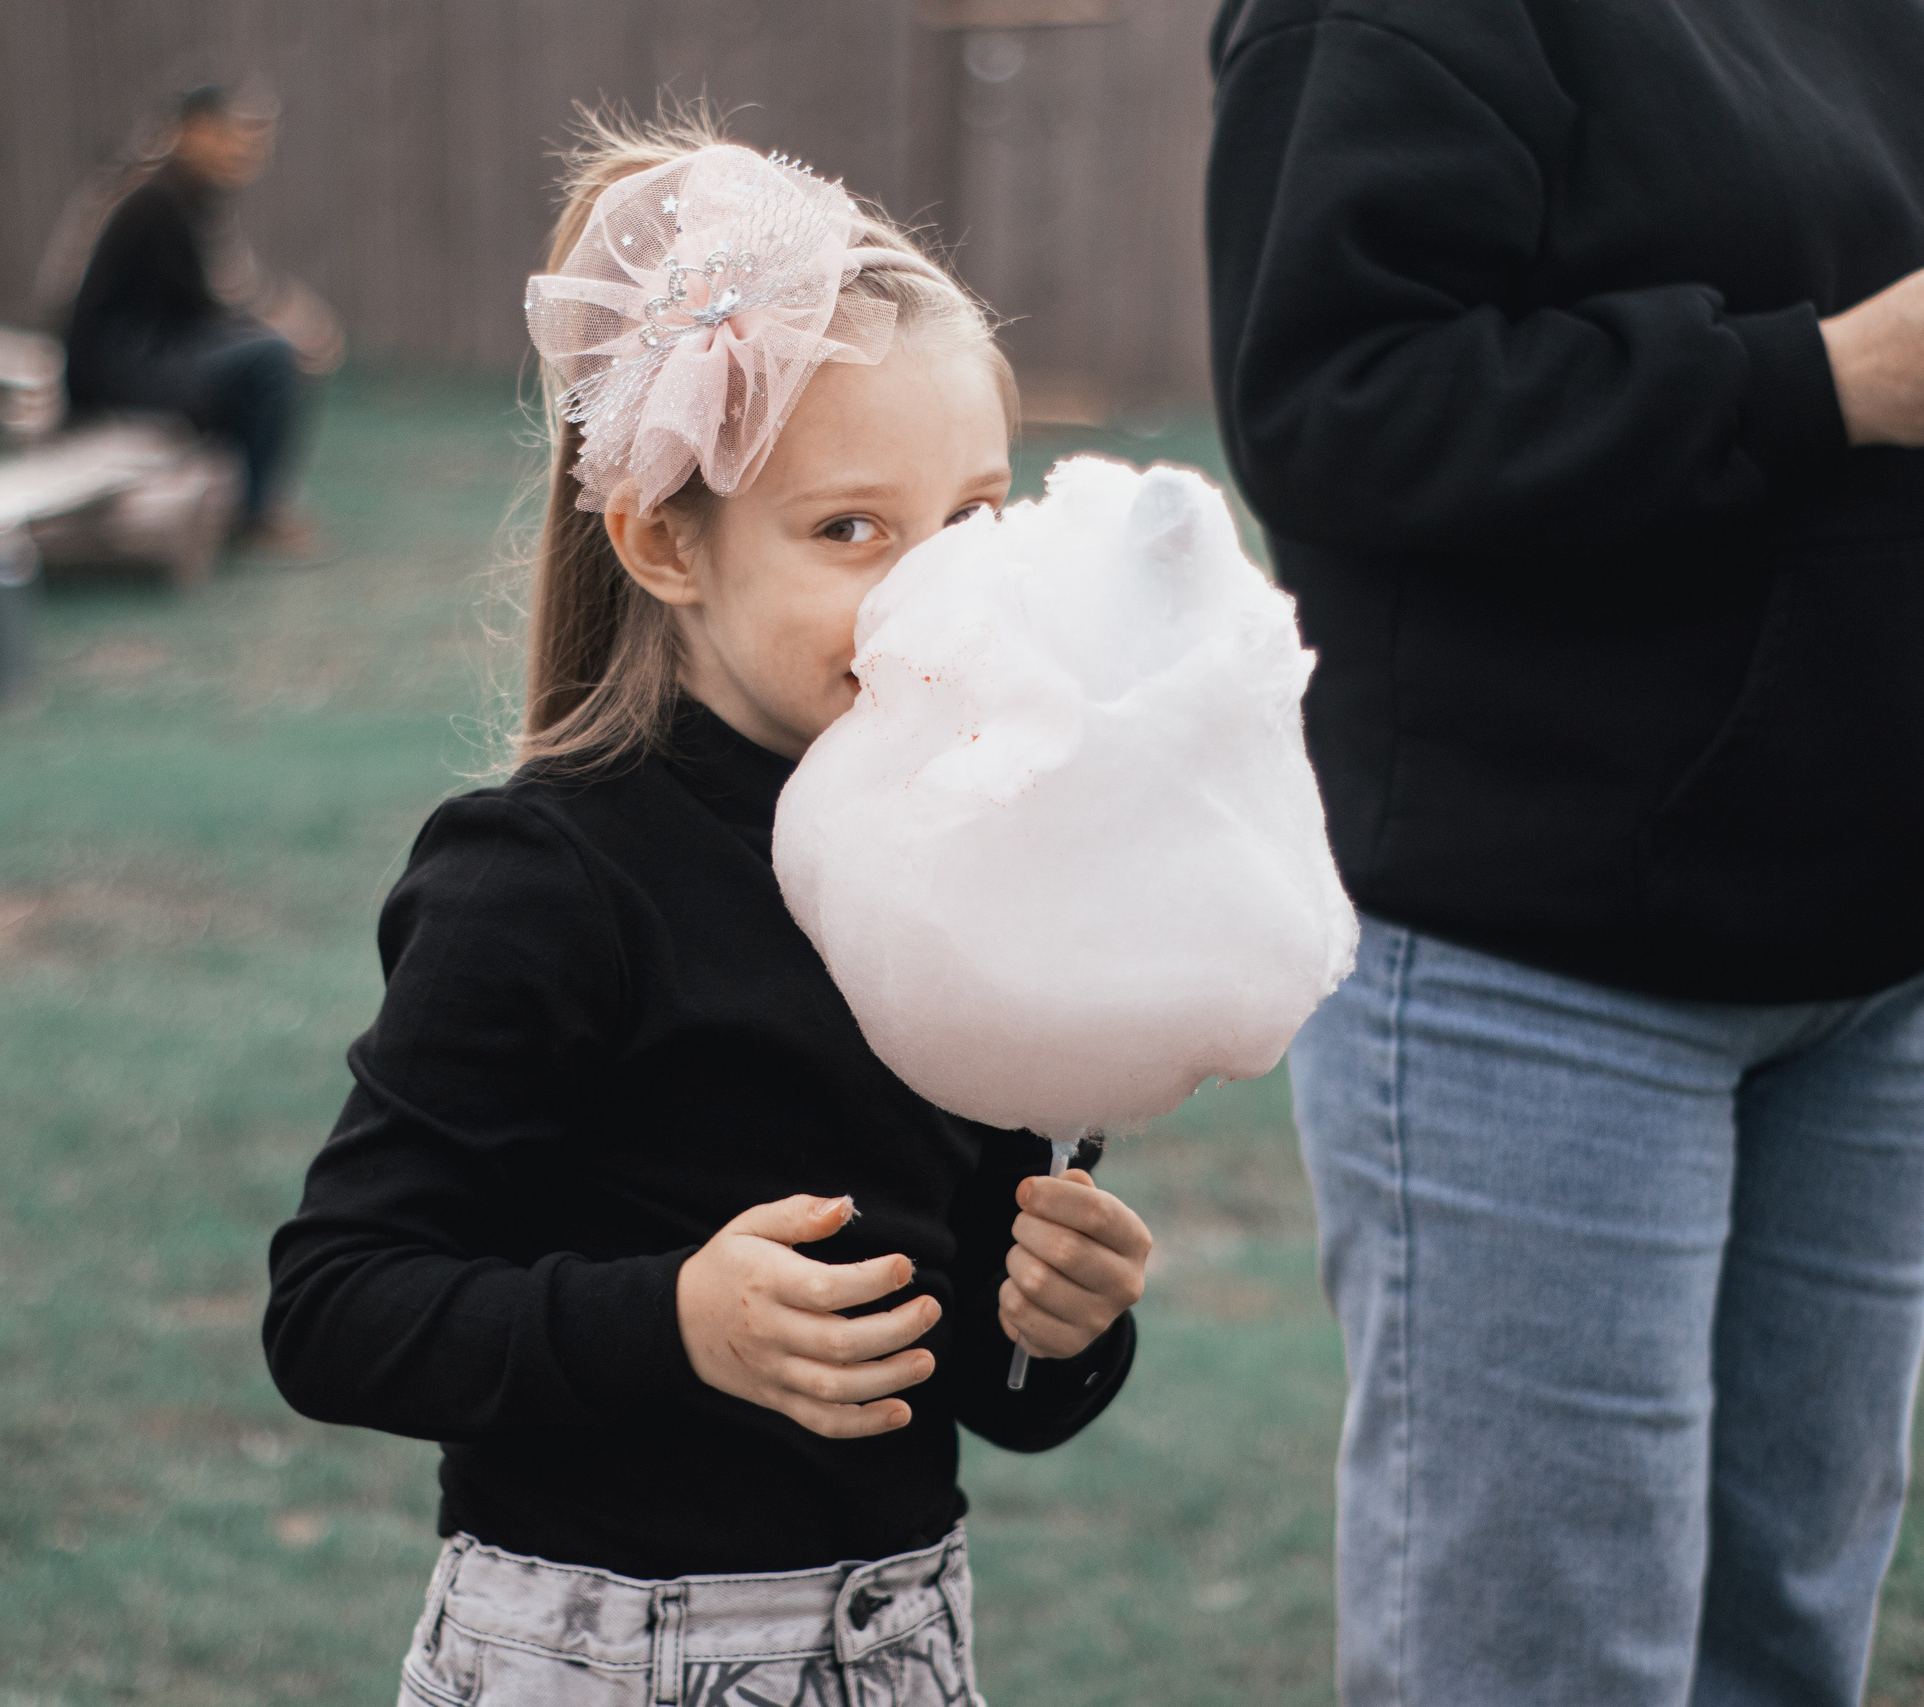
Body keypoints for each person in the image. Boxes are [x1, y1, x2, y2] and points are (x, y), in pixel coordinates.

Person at [1204, 0, 1924, 1700]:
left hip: (1900, 962)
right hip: (1538, 968)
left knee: (1783, 1644)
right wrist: (1813, 381)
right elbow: (1334, 411)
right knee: (1546, 1661)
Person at [261, 120, 1152, 1707]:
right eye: (850, 529)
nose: (933, 589)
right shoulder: (547, 878)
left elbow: (994, 1391)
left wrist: (1059, 1323)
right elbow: (337, 1306)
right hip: (586, 1652)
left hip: (896, 1641)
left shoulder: (970, 862)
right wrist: (672, 1316)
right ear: (667, 540)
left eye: (974, 518)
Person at [63, 83, 331, 557]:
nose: (238, 148)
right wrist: (279, 328)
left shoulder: (187, 197)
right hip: (118, 370)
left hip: (143, 356)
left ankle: (243, 502)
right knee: (269, 357)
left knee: (264, 350)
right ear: (191, 133)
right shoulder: (156, 199)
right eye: (226, 135)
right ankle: (256, 512)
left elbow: (208, 303)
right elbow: (200, 307)